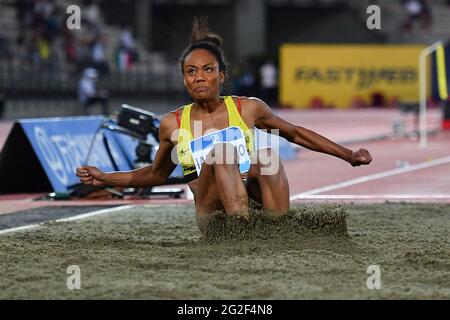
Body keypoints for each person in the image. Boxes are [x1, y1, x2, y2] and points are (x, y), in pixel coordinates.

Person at [76, 18, 372, 231]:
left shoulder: (247, 108)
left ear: (222, 76)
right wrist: (104, 178)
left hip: (251, 199)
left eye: (207, 70)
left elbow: (295, 133)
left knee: (267, 156)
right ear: (184, 79)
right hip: (212, 214)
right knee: (222, 153)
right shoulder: (172, 124)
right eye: (191, 72)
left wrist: (348, 156)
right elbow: (156, 174)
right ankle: (239, 234)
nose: (199, 77)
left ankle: (281, 228)